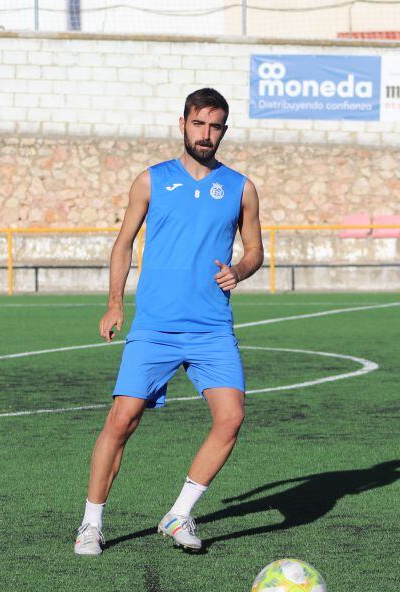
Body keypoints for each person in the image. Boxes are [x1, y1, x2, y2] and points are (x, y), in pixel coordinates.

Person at [75, 87, 263, 556]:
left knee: (231, 418)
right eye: (199, 124)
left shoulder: (241, 187)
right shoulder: (151, 180)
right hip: (156, 327)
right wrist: (115, 303)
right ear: (182, 124)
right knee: (122, 419)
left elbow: (256, 251)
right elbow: (123, 244)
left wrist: (238, 270)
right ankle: (91, 524)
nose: (206, 134)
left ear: (224, 130)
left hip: (211, 329)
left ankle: (179, 514)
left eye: (215, 126)